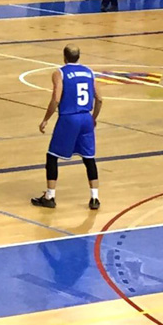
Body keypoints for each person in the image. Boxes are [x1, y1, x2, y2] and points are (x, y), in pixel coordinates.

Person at [31, 45, 103, 210]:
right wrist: (93, 118)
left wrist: (46, 119)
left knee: (52, 156)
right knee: (89, 158)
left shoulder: (60, 73)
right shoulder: (89, 72)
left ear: (64, 57)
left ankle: (50, 196)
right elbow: (99, 99)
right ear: (79, 56)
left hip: (69, 118)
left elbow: (56, 99)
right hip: (86, 118)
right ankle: (95, 198)